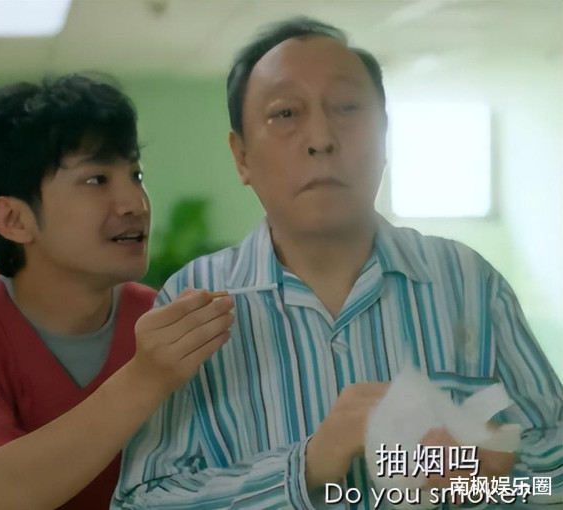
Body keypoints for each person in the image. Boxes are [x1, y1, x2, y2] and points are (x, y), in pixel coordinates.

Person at [114, 17, 563, 508]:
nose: (321, 138)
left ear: (385, 136)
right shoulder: (194, 302)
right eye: (285, 113)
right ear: (241, 156)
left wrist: (498, 471)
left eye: (347, 107)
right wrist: (306, 467)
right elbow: (143, 499)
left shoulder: (469, 282)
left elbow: (554, 469)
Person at [0, 73, 235, 510]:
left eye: (136, 174)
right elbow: (3, 492)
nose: (135, 203)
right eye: (96, 180)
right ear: (15, 220)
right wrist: (146, 377)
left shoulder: (167, 318)